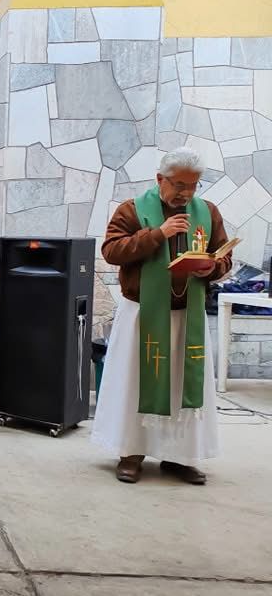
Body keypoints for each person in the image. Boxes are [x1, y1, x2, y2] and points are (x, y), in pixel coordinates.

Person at [92, 149, 231, 485]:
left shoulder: (207, 212)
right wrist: (159, 234)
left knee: (183, 385)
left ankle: (180, 457)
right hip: (143, 315)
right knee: (136, 383)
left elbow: (224, 254)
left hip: (189, 317)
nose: (186, 193)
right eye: (180, 184)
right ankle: (131, 454)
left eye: (193, 186)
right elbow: (111, 251)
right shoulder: (132, 210)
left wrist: (214, 267)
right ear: (160, 179)